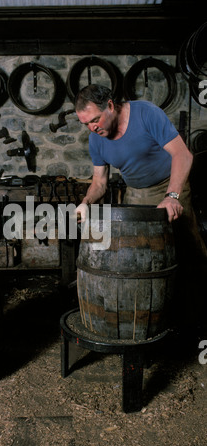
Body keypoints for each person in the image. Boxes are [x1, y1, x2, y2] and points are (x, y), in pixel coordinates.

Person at [74, 84, 207, 329]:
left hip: (170, 186)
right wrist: (85, 203)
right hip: (135, 193)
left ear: (111, 106)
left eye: (95, 119)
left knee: (189, 252)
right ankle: (150, 323)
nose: (92, 127)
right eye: (86, 124)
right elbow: (99, 182)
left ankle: (198, 322)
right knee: (139, 262)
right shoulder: (96, 139)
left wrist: (172, 196)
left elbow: (183, 155)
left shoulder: (146, 113)